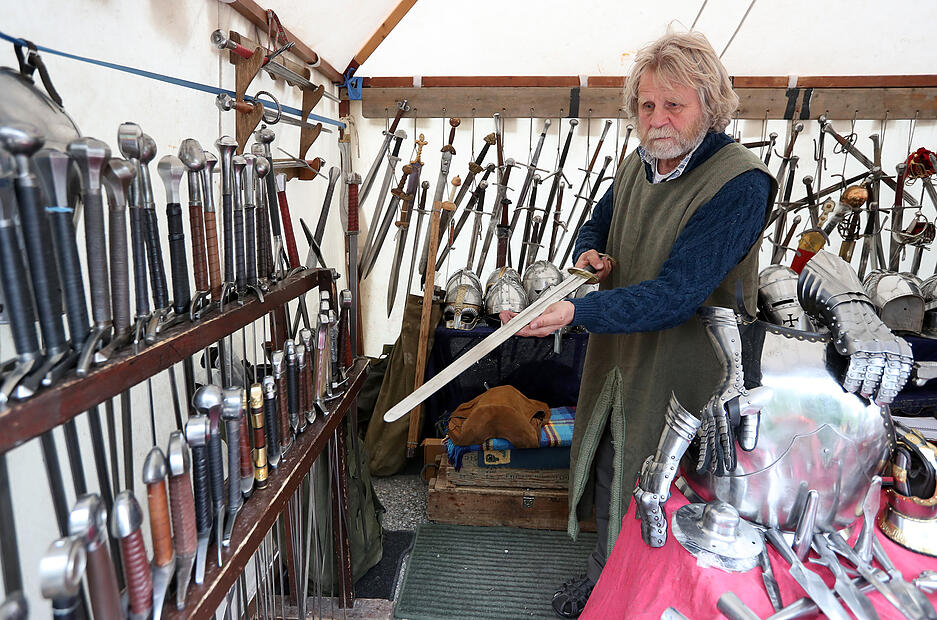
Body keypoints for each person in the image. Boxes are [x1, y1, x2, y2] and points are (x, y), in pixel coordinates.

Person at [501, 30, 777, 618]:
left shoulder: (740, 183)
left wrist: (576, 310)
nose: (657, 119)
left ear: (711, 104)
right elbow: (600, 221)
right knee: (611, 463)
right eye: (646, 105)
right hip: (622, 353)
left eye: (674, 104)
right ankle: (607, 585)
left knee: (670, 493)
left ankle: (646, 603)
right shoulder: (639, 165)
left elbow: (679, 293)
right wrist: (587, 253)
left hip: (694, 370)